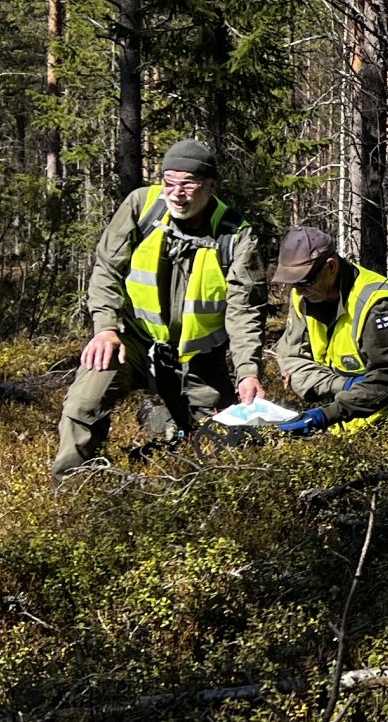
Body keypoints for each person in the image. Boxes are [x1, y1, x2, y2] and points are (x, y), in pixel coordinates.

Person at [51, 138, 270, 478]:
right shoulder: (142, 206)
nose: (176, 192)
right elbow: (107, 269)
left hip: (198, 358)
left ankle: (164, 420)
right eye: (169, 182)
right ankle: (72, 489)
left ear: (211, 186)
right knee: (84, 403)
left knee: (230, 443)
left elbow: (244, 312)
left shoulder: (236, 238)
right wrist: (106, 328)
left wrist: (248, 373)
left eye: (188, 184)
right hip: (133, 342)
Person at [267, 224, 388, 443]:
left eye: (305, 282)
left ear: (330, 267)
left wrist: (325, 415)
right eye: (293, 284)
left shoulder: (375, 303)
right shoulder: (303, 296)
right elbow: (291, 360)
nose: (298, 291)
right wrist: (342, 386)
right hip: (350, 416)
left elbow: (387, 379)